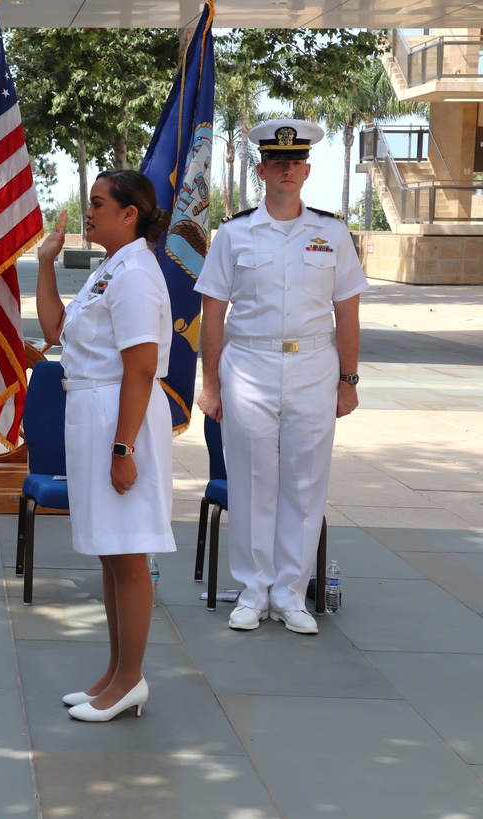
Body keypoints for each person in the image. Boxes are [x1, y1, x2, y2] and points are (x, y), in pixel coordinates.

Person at [195, 118, 368, 635]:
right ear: (262, 169)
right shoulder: (234, 233)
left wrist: (348, 379)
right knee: (251, 479)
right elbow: (213, 312)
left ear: (308, 170)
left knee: (305, 478)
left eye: (294, 162)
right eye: (276, 161)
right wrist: (211, 382)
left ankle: (292, 592)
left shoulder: (331, 233)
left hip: (315, 365)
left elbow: (348, 313)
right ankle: (252, 590)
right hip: (248, 363)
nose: (286, 169)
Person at [36, 169, 177, 723]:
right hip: (96, 409)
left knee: (129, 552)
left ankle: (130, 680)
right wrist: (46, 262)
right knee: (111, 551)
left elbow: (141, 367)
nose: (87, 212)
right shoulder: (111, 270)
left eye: (98, 203)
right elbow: (55, 330)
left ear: (129, 214)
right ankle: (116, 673)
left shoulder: (137, 274)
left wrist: (123, 448)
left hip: (122, 415)